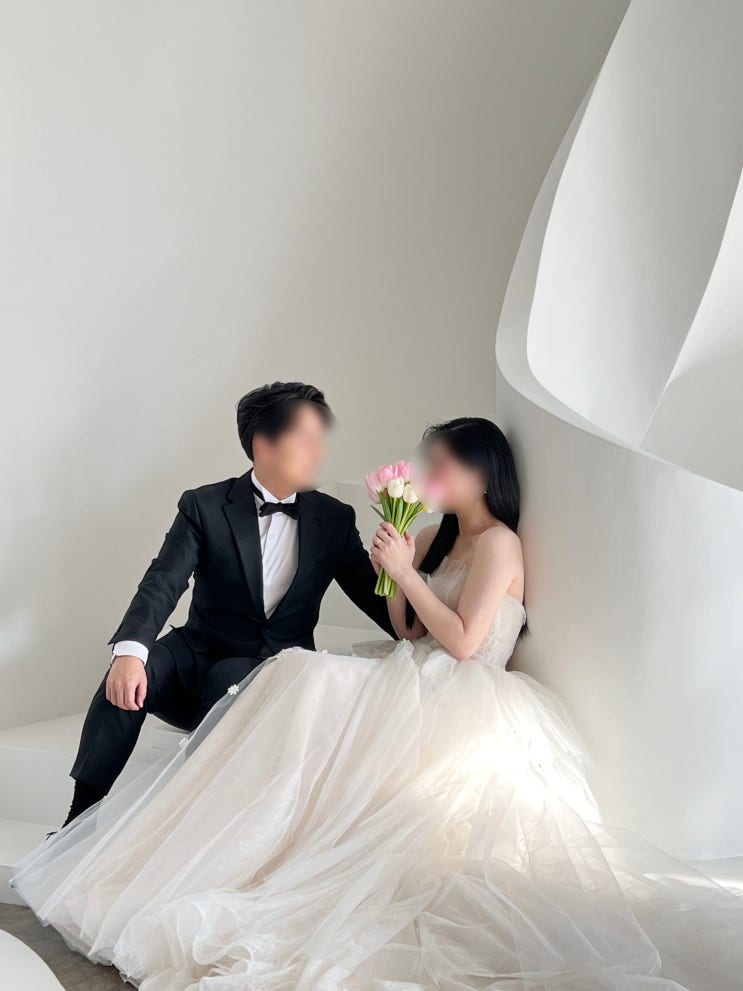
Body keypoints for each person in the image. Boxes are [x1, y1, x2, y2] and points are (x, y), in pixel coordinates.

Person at [13, 418, 742, 990]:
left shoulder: (500, 545)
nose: (430, 476)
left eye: (442, 465)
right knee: (296, 676)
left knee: (301, 677)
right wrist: (399, 565)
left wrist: (406, 574)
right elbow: (408, 630)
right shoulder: (431, 534)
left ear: (483, 472)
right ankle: (161, 833)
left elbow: (464, 642)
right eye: (427, 464)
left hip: (460, 691)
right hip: (407, 668)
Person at [62, 380, 394, 827]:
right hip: (198, 655)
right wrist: (129, 651)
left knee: (229, 679)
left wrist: (404, 577)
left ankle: (187, 825)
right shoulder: (204, 505)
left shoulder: (333, 518)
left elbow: (376, 601)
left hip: (273, 669)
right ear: (263, 444)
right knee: (128, 673)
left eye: (321, 439)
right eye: (305, 438)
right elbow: (163, 582)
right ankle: (77, 821)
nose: (319, 452)